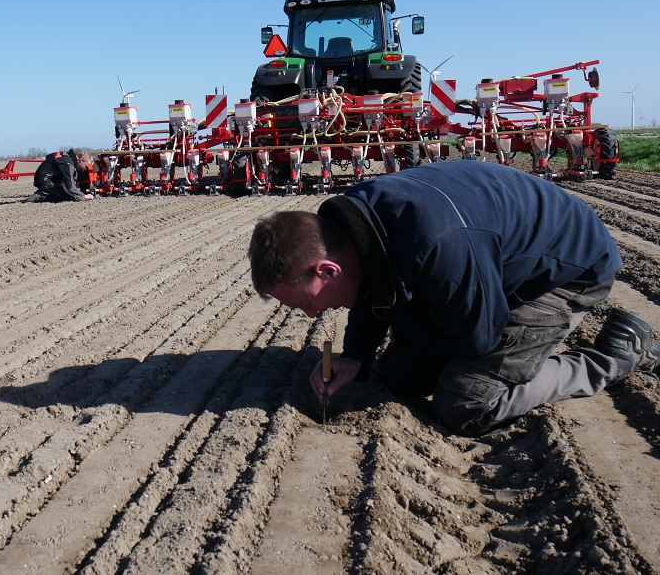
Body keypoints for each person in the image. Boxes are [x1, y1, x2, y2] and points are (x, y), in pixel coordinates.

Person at [248, 160, 660, 436]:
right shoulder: (356, 227)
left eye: (305, 302)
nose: (309, 313)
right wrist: (357, 354)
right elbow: (372, 284)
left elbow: (476, 338)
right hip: (490, 264)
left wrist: (409, 330)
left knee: (466, 403)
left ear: (327, 269)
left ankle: (615, 358)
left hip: (565, 273)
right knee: (401, 377)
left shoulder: (438, 243)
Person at [23, 149, 94, 202]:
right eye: (86, 166)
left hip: (43, 177)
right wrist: (83, 196)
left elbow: (49, 156)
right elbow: (70, 187)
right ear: (82, 160)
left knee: (69, 193)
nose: (85, 169)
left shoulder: (66, 155)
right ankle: (40, 197)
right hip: (44, 180)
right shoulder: (68, 163)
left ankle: (42, 194)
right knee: (68, 197)